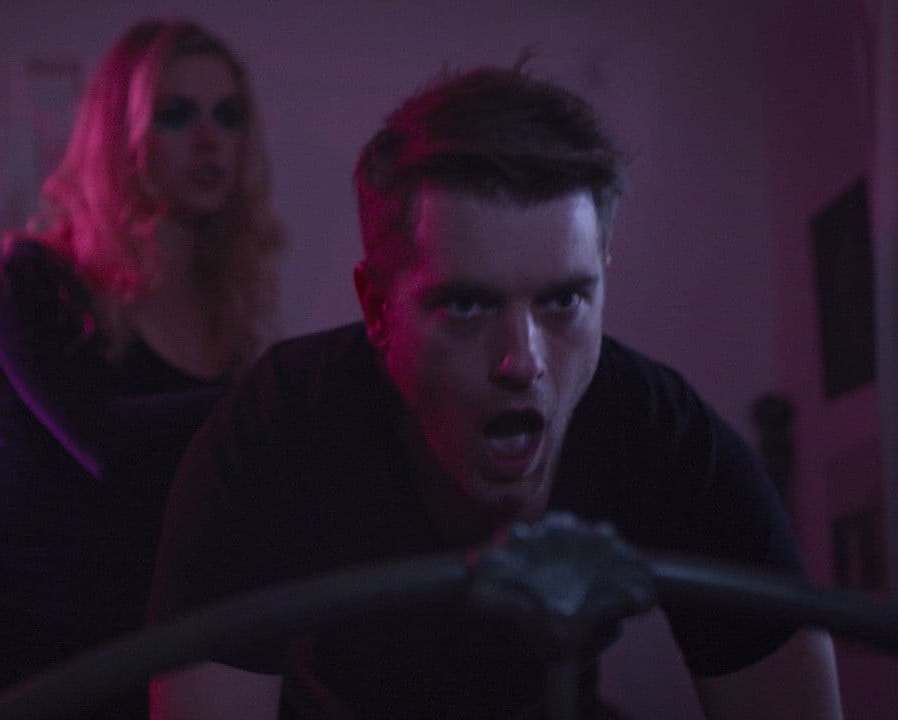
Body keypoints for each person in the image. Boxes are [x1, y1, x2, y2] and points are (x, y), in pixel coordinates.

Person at [147, 67, 842, 719]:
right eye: (467, 306)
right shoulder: (277, 431)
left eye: (564, 300)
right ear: (378, 309)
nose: (523, 362)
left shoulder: (662, 436)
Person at [0, 19, 282, 719]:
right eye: (177, 113)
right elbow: (104, 439)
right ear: (123, 134)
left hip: (118, 654)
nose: (210, 138)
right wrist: (277, 393)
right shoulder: (35, 273)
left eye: (229, 114)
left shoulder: (230, 311)